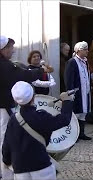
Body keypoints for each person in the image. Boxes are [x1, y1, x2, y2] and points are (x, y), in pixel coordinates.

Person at [2, 81, 74, 180]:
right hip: (41, 167)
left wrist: (7, 161)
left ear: (15, 100)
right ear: (33, 97)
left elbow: (6, 145)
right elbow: (64, 120)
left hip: (20, 169)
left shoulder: (13, 120)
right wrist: (67, 101)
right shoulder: (41, 116)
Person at [0, 35, 50, 179]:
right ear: (3, 49)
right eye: (10, 48)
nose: (13, 51)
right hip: (2, 108)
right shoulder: (5, 65)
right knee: (4, 140)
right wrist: (41, 71)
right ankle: (7, 174)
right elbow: (23, 75)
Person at [65, 41, 92, 141]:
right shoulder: (72, 62)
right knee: (76, 113)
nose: (87, 51)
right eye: (85, 49)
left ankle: (81, 133)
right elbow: (69, 78)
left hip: (85, 91)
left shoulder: (85, 61)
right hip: (77, 92)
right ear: (79, 50)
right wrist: (70, 91)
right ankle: (74, 134)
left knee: (83, 113)